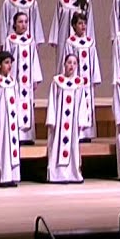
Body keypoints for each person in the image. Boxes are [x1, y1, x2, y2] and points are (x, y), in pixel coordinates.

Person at [46, 54, 92, 184]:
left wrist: (82, 121)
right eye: (69, 62)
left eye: (74, 63)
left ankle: (73, 173)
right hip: (60, 123)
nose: (71, 65)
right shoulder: (57, 81)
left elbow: (83, 102)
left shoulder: (79, 83)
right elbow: (52, 101)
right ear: (64, 64)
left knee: (73, 147)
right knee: (56, 146)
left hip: (72, 123)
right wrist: (51, 119)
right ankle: (56, 175)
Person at [0, 12, 44, 144]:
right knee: (16, 105)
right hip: (15, 79)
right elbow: (6, 59)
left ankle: (28, 136)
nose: (23, 24)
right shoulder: (10, 40)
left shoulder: (30, 40)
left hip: (28, 81)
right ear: (14, 24)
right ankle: (17, 135)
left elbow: (34, 59)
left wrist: (35, 78)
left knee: (27, 105)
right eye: (20, 22)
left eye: (25, 22)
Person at [59, 13, 101, 141]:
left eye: (84, 23)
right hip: (75, 82)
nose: (83, 26)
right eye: (80, 23)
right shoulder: (70, 42)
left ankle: (87, 133)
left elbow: (94, 60)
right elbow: (67, 60)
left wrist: (95, 78)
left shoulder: (90, 42)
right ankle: (77, 132)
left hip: (87, 82)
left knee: (88, 105)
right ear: (73, 26)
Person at [0, 51, 22, 187]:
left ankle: (11, 176)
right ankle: (1, 178)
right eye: (6, 63)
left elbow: (17, 101)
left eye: (10, 63)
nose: (9, 66)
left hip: (11, 122)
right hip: (0, 124)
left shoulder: (13, 82)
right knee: (1, 150)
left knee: (12, 148)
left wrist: (18, 119)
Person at [49, 0, 94, 69]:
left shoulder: (86, 1)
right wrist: (54, 39)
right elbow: (57, 19)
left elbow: (89, 21)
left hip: (80, 38)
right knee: (62, 62)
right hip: (64, 37)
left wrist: (89, 37)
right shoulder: (62, 0)